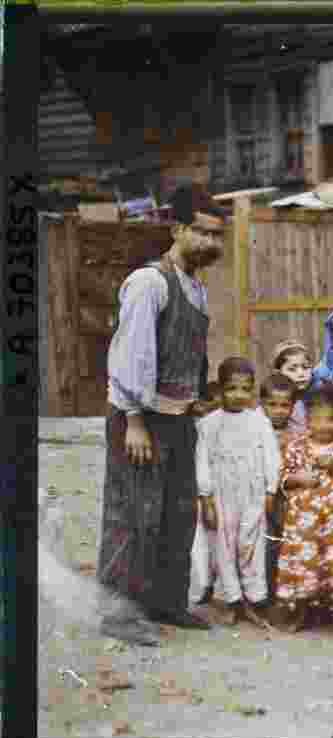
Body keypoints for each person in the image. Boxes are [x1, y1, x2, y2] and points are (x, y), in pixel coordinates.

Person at [98, 181, 226, 645]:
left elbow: (188, 354)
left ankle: (166, 604)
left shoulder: (196, 288)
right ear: (177, 228)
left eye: (217, 236)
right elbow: (131, 356)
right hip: (140, 420)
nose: (211, 244)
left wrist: (198, 399)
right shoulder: (150, 282)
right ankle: (118, 613)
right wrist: (132, 419)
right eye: (203, 233)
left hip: (178, 419)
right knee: (133, 514)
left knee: (176, 513)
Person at [195, 357, 281, 626]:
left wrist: (270, 490)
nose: (239, 395)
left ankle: (255, 598)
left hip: (253, 492)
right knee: (223, 544)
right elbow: (202, 461)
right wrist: (206, 498)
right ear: (220, 390)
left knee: (251, 543)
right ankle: (232, 598)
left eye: (245, 389)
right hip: (221, 494)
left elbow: (271, 457)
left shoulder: (259, 422)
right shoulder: (209, 424)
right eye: (232, 389)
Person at [275, 386, 333, 635]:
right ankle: (301, 611)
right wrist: (299, 479)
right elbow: (282, 478)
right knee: (304, 563)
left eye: (332, 419)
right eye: (317, 419)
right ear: (307, 420)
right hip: (303, 520)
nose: (324, 426)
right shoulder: (296, 446)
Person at [260, 372, 298, 601]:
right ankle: (261, 592)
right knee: (262, 543)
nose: (279, 410)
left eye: (285, 405)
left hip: (285, 497)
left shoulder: (296, 434)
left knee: (282, 542)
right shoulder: (255, 429)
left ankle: (281, 592)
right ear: (262, 404)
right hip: (260, 495)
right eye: (272, 404)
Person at [187, 381, 222, 613]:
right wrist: (205, 496)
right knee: (202, 542)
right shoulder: (198, 431)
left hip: (229, 493)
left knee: (222, 543)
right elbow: (201, 466)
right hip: (205, 493)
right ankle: (205, 584)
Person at [270, 340, 314, 433]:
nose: (301, 374)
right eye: (292, 369)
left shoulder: (317, 398)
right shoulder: (272, 402)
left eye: (306, 367)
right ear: (278, 373)